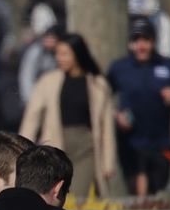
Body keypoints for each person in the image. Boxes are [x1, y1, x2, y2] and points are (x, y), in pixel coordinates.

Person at [19, 32, 118, 200]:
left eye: (65, 54)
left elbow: (107, 127)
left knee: (78, 195)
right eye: (57, 53)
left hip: (86, 147)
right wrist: (21, 151)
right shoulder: (48, 81)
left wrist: (108, 162)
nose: (60, 58)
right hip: (55, 145)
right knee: (54, 194)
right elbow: (32, 119)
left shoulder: (98, 84)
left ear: (77, 54)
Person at [107, 17, 170, 195]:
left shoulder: (168, 66)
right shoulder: (120, 67)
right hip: (130, 140)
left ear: (153, 41)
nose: (141, 46)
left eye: (146, 40)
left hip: (161, 141)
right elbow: (102, 97)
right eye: (136, 40)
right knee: (135, 186)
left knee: (159, 185)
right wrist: (115, 115)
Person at [16, 25, 60, 106]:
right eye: (48, 38)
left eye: (53, 38)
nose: (50, 41)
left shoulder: (56, 53)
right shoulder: (36, 52)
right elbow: (27, 77)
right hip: (34, 98)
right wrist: (31, 100)